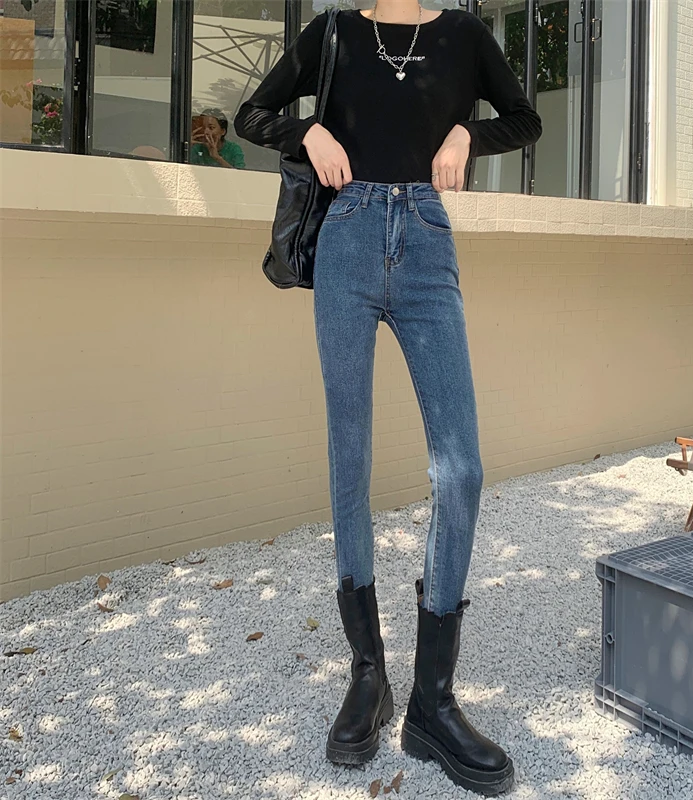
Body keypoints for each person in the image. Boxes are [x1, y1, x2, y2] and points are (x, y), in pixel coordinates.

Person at [234, 2, 541, 795]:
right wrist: (307, 131)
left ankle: (432, 702)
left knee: (461, 468)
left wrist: (468, 134)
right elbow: (250, 114)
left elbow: (524, 118)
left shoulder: (464, 37)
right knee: (351, 456)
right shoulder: (334, 31)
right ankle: (368, 675)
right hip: (345, 239)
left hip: (427, 243)